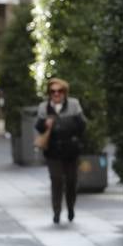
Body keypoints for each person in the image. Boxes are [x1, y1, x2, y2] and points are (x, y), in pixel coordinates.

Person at [35, 78, 87, 224]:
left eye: (60, 91)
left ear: (65, 92)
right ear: (49, 93)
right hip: (53, 150)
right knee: (56, 180)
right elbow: (38, 127)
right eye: (53, 91)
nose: (56, 94)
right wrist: (45, 124)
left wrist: (63, 124)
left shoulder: (74, 105)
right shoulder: (44, 107)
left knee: (71, 181)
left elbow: (82, 125)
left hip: (71, 150)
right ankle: (56, 211)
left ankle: (70, 207)